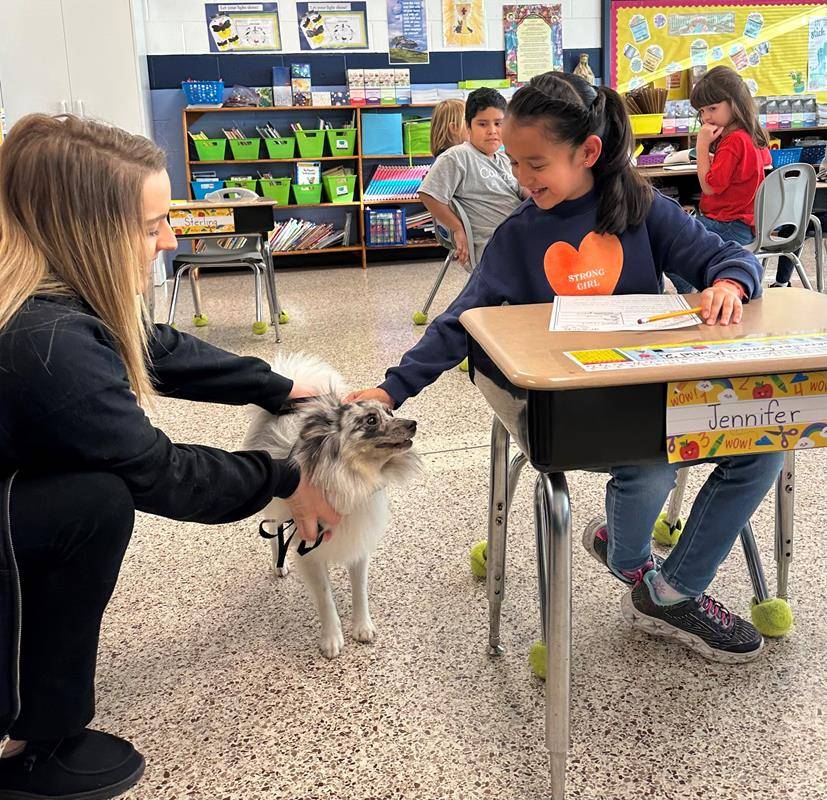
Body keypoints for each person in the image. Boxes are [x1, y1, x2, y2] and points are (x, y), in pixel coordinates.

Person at [348, 72, 784, 665]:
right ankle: (631, 559)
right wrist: (393, 388)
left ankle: (671, 589)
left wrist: (731, 282)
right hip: (573, 412)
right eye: (515, 163)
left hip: (648, 394)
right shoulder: (518, 235)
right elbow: (462, 320)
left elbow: (724, 254)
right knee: (651, 463)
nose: (522, 180)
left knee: (765, 447)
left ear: (588, 153)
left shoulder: (641, 208)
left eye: (536, 164)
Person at [0, 114, 340, 800]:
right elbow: (162, 474)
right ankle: (32, 743)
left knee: (84, 496)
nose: (171, 238)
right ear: (85, 228)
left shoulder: (47, 295)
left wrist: (278, 388)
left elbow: (151, 344)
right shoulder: (43, 342)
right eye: (151, 223)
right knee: (94, 502)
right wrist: (285, 477)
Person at [690, 66, 786, 284]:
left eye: (712, 108)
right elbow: (763, 163)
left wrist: (702, 145)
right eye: (702, 111)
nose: (706, 118)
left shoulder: (733, 140)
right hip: (747, 225)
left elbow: (710, 187)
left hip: (727, 224)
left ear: (734, 103)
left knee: (671, 243)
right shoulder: (750, 135)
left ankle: (692, 293)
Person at [418, 87, 524, 266]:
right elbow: (428, 194)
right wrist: (457, 228)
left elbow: (522, 189)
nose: (492, 131)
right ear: (468, 126)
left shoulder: (505, 157)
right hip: (498, 245)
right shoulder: (458, 156)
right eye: (483, 124)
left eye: (498, 124)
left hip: (522, 234)